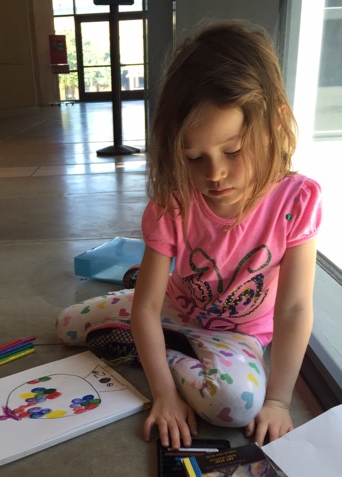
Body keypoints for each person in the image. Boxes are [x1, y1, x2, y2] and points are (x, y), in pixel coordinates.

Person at [56, 20, 322, 449]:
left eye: (233, 152)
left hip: (241, 335)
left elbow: (292, 309)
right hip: (171, 310)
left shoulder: (297, 201)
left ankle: (168, 351)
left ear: (276, 124)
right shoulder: (174, 202)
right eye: (194, 157)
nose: (214, 174)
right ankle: (164, 345)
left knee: (236, 405)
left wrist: (278, 401)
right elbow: (146, 306)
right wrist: (163, 396)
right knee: (66, 326)